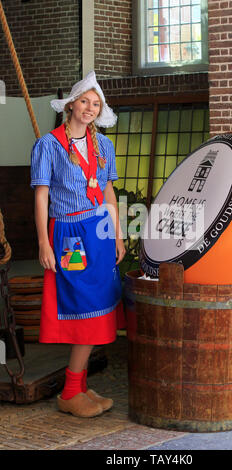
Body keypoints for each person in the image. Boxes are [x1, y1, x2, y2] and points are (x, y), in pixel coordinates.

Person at [30, 71, 126, 418]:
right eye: (84, 101)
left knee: (100, 303)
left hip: (99, 232)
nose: (90, 108)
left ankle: (80, 387)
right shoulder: (49, 145)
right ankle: (71, 392)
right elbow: (41, 197)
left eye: (96, 103)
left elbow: (110, 192)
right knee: (82, 304)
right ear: (70, 104)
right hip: (70, 236)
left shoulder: (105, 146)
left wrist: (117, 233)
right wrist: (43, 242)